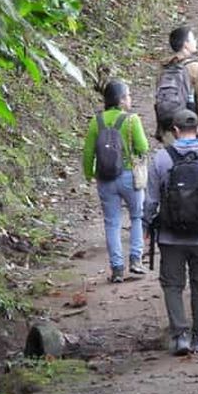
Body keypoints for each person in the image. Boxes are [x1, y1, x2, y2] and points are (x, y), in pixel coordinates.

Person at [143, 109, 198, 356]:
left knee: (172, 284)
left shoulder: (161, 159)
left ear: (174, 130)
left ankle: (180, 335)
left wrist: (146, 229)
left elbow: (151, 200)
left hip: (170, 235)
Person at [83, 80, 149, 283]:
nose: (130, 99)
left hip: (105, 179)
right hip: (129, 176)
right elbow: (143, 147)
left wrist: (89, 174)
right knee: (137, 216)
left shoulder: (96, 121)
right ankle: (136, 260)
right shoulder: (132, 120)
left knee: (112, 223)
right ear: (121, 100)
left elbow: (88, 153)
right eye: (128, 95)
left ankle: (117, 268)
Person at [155, 26, 198, 148]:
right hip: (191, 129)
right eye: (193, 39)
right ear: (186, 44)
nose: (195, 42)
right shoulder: (195, 67)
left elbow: (159, 97)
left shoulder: (164, 66)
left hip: (169, 128)